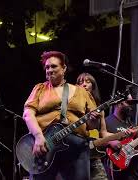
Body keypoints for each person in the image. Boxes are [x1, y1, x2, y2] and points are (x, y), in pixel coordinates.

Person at [23, 51, 102, 180]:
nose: (49, 70)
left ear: (64, 68)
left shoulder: (81, 91)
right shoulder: (40, 89)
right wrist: (38, 137)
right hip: (46, 146)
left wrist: (94, 120)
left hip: (77, 146)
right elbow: (28, 114)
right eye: (47, 67)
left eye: (53, 66)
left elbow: (92, 125)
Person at [76, 73, 110, 180]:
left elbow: (103, 133)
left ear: (93, 86)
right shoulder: (73, 106)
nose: (84, 84)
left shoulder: (99, 109)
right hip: (77, 155)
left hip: (94, 155)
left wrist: (122, 136)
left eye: (88, 81)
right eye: (80, 82)